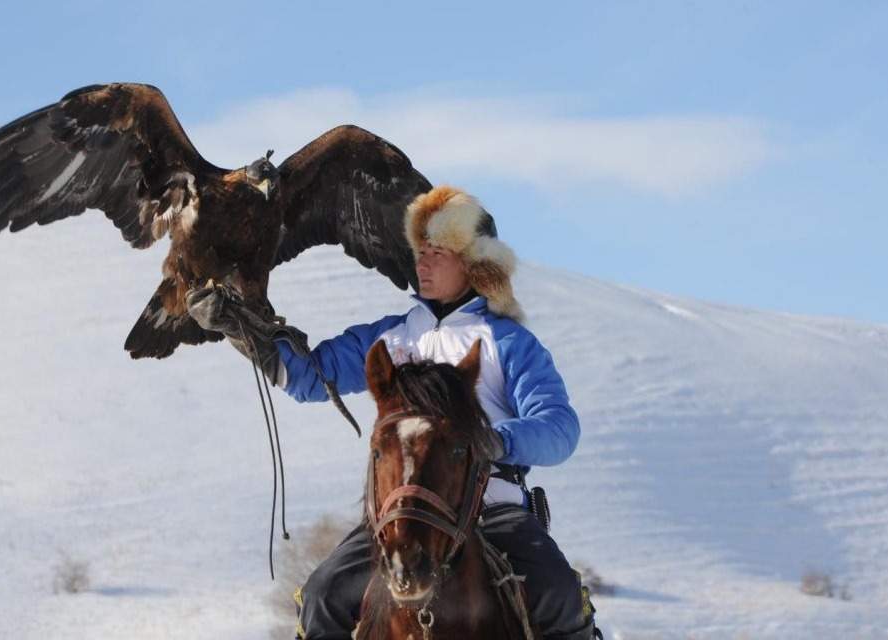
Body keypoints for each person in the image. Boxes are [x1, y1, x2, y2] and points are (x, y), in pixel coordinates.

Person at [188, 185, 595, 639]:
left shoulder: (509, 342)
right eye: (421, 252)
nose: (422, 263)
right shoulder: (388, 338)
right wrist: (245, 331)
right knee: (320, 596)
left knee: (560, 594)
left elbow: (560, 428)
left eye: (438, 253)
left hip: (491, 506)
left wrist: (496, 440)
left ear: (473, 263)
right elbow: (308, 378)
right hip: (398, 512)